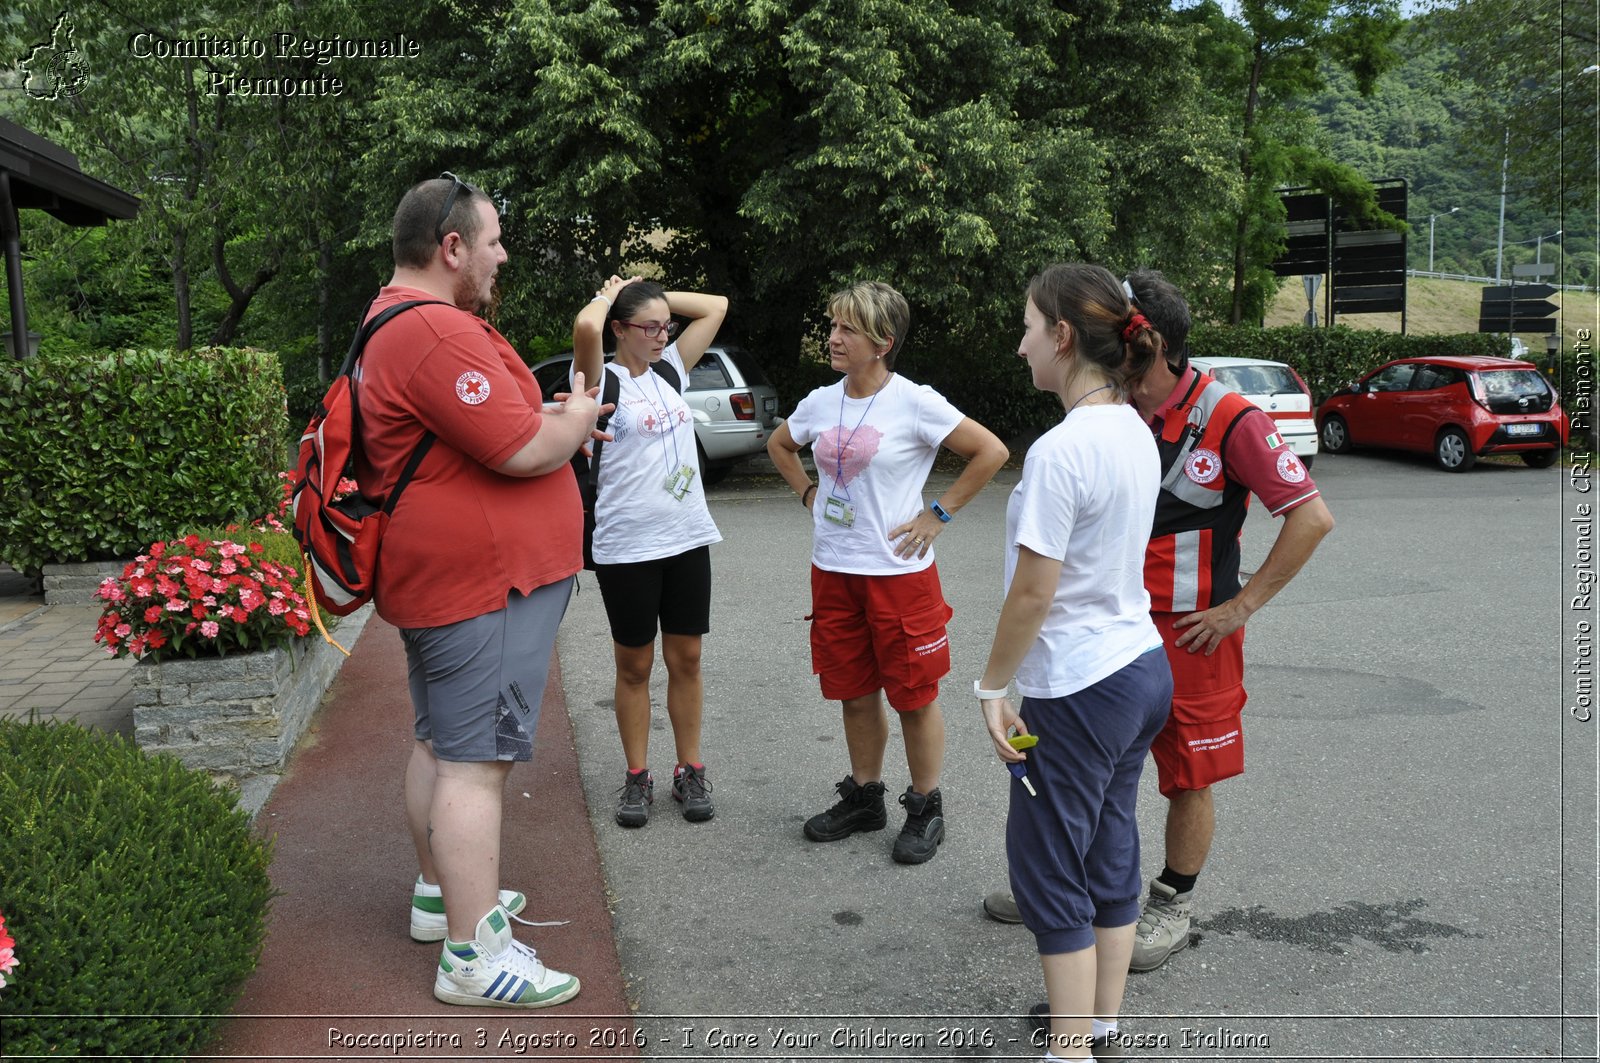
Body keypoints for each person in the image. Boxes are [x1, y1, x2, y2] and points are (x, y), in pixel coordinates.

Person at [984, 269, 1336, 982]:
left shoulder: (1230, 417)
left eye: (1132, 340)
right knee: (1091, 781)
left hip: (1188, 632)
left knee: (1188, 776)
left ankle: (1171, 902)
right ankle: (1068, 893)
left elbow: (1312, 515)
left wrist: (1239, 607)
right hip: (1115, 632)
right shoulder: (1117, 412)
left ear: (1158, 345)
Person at [355, 173, 604, 1008]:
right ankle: (471, 955)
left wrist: (551, 422)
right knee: (476, 764)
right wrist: (575, 415)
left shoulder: (394, 321)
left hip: (450, 580)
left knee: (438, 742)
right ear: (452, 248)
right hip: (482, 585)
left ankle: (441, 897)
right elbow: (522, 448)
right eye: (492, 241)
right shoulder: (432, 331)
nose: (501, 256)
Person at [977, 263, 1174, 1063]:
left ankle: (1068, 1053)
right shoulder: (1132, 425)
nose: (1020, 342)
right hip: (1140, 668)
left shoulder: (1061, 451)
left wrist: (991, 686)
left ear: (1062, 336)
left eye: (1028, 326)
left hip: (1083, 688)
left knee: (1049, 861)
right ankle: (1098, 1023)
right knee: (1110, 844)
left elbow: (1033, 593)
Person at [768, 280, 1008, 864]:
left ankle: (926, 807)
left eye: (847, 328)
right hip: (833, 570)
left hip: (899, 574)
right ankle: (865, 797)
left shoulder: (915, 401)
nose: (833, 337)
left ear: (882, 341)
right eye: (832, 325)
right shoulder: (822, 402)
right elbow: (780, 444)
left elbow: (991, 451)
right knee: (852, 690)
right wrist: (807, 494)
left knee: (914, 695)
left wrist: (937, 513)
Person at [571, 276, 729, 827]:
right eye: (649, 327)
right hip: (626, 545)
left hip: (686, 537)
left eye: (667, 327)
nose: (662, 336)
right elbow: (587, 325)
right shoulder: (598, 379)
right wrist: (611, 293)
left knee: (687, 659)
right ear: (620, 329)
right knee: (634, 665)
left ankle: (690, 770)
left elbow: (716, 305)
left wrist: (645, 288)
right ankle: (638, 777)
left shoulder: (671, 369)